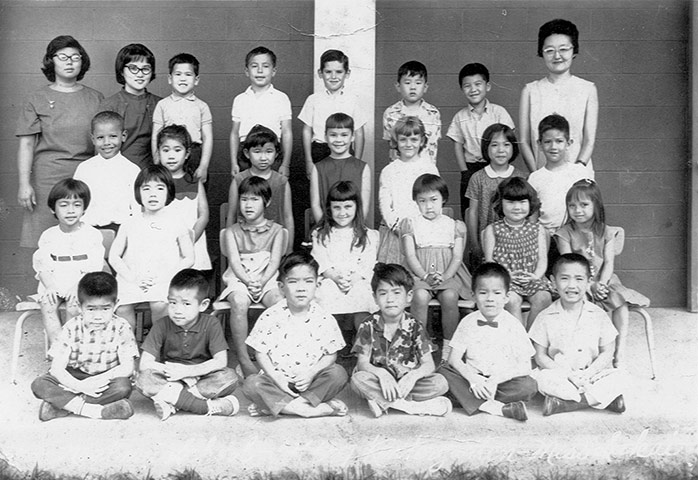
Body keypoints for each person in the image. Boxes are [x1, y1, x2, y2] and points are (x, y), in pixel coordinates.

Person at [16, 35, 103, 249]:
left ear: (82, 62)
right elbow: (26, 145)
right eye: (63, 57)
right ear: (51, 61)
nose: (70, 61)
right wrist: (24, 184)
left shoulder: (97, 98)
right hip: (47, 180)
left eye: (75, 57)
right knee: (47, 246)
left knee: (85, 244)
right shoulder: (37, 98)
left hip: (86, 177)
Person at [242, 251, 349, 418]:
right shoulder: (271, 315)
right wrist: (277, 377)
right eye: (293, 282)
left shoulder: (324, 317)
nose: (301, 288)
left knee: (338, 374)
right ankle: (314, 409)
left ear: (317, 285)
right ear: (281, 287)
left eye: (308, 281)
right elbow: (260, 353)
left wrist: (312, 373)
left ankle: (278, 406)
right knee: (252, 384)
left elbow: (330, 354)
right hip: (278, 382)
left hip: (310, 381)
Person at [555, 179, 649, 368]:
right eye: (572, 206)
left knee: (619, 303)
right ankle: (588, 354)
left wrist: (602, 284)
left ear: (596, 205)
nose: (577, 210)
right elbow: (570, 266)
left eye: (584, 205)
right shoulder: (564, 233)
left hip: (605, 280)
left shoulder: (607, 232)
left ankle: (618, 352)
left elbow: (609, 262)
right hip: (577, 281)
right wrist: (589, 285)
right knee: (583, 307)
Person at [31, 272, 138, 421]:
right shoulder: (71, 328)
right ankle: (94, 411)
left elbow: (127, 368)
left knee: (123, 386)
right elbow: (57, 368)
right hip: (75, 375)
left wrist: (96, 381)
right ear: (80, 307)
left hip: (106, 378)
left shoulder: (121, 328)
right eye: (91, 309)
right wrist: (80, 386)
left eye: (105, 308)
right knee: (40, 384)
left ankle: (61, 406)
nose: (98, 316)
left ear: (115, 305)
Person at [136, 269, 240, 420]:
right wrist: (174, 372)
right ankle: (204, 407)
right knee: (143, 379)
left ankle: (172, 401)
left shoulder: (211, 323)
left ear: (203, 305)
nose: (177, 310)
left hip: (200, 377)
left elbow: (221, 361)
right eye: (172, 303)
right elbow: (145, 364)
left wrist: (189, 371)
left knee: (229, 377)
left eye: (186, 304)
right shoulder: (162, 325)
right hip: (169, 378)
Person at [530, 254, 627, 416]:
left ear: (589, 282)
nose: (572, 285)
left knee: (621, 376)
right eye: (565, 278)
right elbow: (540, 356)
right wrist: (568, 375)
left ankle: (566, 404)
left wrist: (589, 374)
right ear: (553, 282)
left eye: (579, 279)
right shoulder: (545, 317)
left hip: (593, 374)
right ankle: (601, 399)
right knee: (542, 379)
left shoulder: (599, 315)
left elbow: (607, 352)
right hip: (561, 375)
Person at [438, 263, 537, 422]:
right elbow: (453, 359)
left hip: (502, 381)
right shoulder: (468, 322)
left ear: (506, 297)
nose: (490, 299)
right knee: (443, 371)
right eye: (483, 293)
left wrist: (495, 380)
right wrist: (473, 380)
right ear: (473, 295)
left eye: (497, 293)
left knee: (529, 386)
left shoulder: (513, 325)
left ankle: (472, 401)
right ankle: (495, 407)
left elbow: (525, 366)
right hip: (473, 380)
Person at [351, 263, 451, 417]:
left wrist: (413, 376)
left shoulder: (415, 325)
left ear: (409, 297)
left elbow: (428, 364)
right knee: (358, 379)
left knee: (440, 383)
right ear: (375, 298)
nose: (390, 299)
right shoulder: (368, 325)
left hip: (407, 383)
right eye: (383, 293)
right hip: (380, 382)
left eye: (397, 292)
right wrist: (382, 375)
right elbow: (362, 363)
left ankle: (385, 402)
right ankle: (410, 406)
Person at [108, 165, 195, 329]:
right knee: (123, 307)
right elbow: (114, 256)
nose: (152, 194)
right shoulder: (129, 223)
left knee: (159, 304)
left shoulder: (177, 223)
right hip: (132, 279)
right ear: (138, 192)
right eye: (146, 188)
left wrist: (166, 276)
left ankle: (156, 348)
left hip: (164, 279)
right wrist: (132, 277)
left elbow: (189, 258)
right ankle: (129, 348)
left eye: (160, 188)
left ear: (169, 192)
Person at [217, 176, 285, 378]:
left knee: (279, 302)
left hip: (267, 277)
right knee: (238, 300)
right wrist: (248, 282)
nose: (248, 204)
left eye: (254, 199)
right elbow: (235, 263)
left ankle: (273, 355)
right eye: (244, 199)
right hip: (240, 278)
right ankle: (244, 358)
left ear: (267, 202)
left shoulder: (277, 231)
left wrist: (262, 282)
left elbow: (274, 263)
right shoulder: (231, 232)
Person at [401, 174, 471, 360]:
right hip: (419, 274)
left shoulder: (454, 225)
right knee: (420, 296)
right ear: (415, 202)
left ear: (444, 199)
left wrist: (446, 276)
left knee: (449, 296)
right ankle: (419, 344)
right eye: (422, 201)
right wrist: (424, 277)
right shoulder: (410, 224)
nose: (429, 206)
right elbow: (410, 255)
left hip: (448, 273)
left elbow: (457, 256)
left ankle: (449, 346)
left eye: (434, 200)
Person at [519, 19, 598, 177]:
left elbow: (589, 140)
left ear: (574, 51)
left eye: (563, 49)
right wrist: (538, 175)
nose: (557, 56)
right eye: (549, 50)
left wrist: (577, 171)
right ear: (541, 52)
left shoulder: (588, 89)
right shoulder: (530, 91)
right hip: (542, 175)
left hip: (579, 177)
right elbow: (523, 141)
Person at [32, 179, 105, 345]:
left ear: (84, 208)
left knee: (74, 306)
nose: (70, 211)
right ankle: (59, 348)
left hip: (82, 283)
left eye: (77, 205)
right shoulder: (48, 236)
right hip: (55, 282)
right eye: (64, 205)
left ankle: (76, 349)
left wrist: (77, 286)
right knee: (48, 305)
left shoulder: (92, 234)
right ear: (53, 208)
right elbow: (42, 266)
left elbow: (93, 267)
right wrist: (50, 286)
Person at [446, 63, 515, 220]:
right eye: (467, 86)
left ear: (488, 86)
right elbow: (457, 144)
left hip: (496, 165)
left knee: (498, 205)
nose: (473, 89)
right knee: (470, 208)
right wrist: (464, 171)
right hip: (471, 168)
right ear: (462, 89)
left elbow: (509, 139)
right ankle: (473, 242)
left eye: (478, 84)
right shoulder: (460, 117)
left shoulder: (499, 112)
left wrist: (504, 164)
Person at [483, 177, 552, 328]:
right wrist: (506, 277)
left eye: (522, 202)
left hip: (533, 277)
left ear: (530, 203)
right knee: (511, 300)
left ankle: (532, 339)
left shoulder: (538, 229)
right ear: (500, 203)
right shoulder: (492, 230)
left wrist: (536, 276)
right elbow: (489, 262)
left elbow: (542, 260)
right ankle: (519, 341)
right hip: (505, 280)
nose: (517, 207)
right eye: (511, 202)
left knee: (544, 298)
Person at [311, 181, 379, 332]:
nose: (342, 213)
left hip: (357, 279)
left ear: (357, 207)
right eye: (337, 207)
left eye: (348, 207)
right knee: (326, 292)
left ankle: (362, 341)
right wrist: (335, 277)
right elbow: (321, 259)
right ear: (329, 209)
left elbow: (367, 263)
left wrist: (353, 279)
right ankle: (331, 339)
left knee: (362, 293)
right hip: (331, 278)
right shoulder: (321, 234)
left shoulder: (368, 235)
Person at [377, 116, 439, 265]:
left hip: (423, 231)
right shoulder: (389, 170)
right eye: (403, 140)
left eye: (414, 139)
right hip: (395, 231)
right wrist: (397, 227)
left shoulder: (429, 168)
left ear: (422, 141)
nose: (408, 144)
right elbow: (385, 204)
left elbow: (435, 200)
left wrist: (424, 226)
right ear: (396, 142)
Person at [465, 123, 527, 267]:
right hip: (485, 240)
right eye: (494, 145)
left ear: (513, 147)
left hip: (514, 243)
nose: (500, 150)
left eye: (506, 144)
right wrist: (474, 243)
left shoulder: (521, 177)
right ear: (486, 148)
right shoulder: (478, 178)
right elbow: (472, 212)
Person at [226, 125, 294, 251]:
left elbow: (288, 217)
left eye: (269, 151)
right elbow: (231, 215)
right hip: (245, 245)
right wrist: (230, 248)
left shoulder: (281, 181)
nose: (263, 157)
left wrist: (289, 248)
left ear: (276, 153)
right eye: (257, 152)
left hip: (275, 245)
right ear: (247, 153)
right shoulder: (239, 180)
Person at [299, 49, 366, 177]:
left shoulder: (353, 100)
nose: (333, 77)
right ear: (320, 73)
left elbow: (359, 132)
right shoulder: (313, 99)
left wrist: (356, 161)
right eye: (328, 72)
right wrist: (309, 160)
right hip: (319, 151)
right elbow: (307, 130)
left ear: (347, 73)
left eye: (339, 72)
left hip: (344, 150)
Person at [230, 46, 292, 177]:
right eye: (254, 66)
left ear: (273, 71)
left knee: (272, 191)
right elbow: (234, 133)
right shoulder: (240, 99)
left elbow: (287, 132)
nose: (259, 71)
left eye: (265, 66)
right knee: (247, 192)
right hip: (246, 153)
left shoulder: (281, 98)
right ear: (247, 71)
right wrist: (233, 162)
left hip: (272, 151)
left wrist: (285, 164)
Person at [73, 111, 140, 232]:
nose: (106, 143)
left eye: (113, 136)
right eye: (100, 137)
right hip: (88, 230)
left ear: (123, 136)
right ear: (93, 139)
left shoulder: (132, 170)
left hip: (121, 231)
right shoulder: (84, 169)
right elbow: (76, 203)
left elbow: (137, 208)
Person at [157, 124, 211, 270]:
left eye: (177, 150)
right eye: (166, 150)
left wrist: (188, 242)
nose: (171, 155)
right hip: (163, 247)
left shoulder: (194, 182)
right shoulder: (155, 183)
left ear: (187, 153)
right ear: (159, 153)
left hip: (192, 245)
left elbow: (204, 215)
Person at [151, 53, 212, 183]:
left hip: (194, 154)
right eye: (178, 74)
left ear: (196, 80)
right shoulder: (162, 105)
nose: (182, 79)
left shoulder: (202, 106)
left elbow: (208, 137)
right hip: (169, 153)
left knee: (195, 191)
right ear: (169, 78)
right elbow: (155, 134)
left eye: (188, 74)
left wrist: (204, 166)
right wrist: (157, 160)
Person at [99, 43, 161, 168]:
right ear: (122, 71)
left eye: (145, 68)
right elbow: (102, 149)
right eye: (133, 68)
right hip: (117, 171)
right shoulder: (109, 105)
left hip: (152, 174)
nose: (140, 74)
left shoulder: (161, 104)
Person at [527, 114, 588, 235]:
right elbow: (532, 217)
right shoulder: (535, 178)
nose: (553, 147)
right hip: (546, 237)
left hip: (576, 236)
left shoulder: (580, 173)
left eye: (559, 141)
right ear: (539, 144)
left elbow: (591, 208)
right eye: (548, 142)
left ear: (569, 143)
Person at [310, 113, 371, 223]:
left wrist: (355, 230)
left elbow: (364, 205)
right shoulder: (318, 168)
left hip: (355, 231)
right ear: (325, 137)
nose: (338, 140)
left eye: (344, 135)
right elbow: (315, 204)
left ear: (352, 137)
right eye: (333, 135)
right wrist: (325, 231)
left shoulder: (363, 168)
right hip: (326, 231)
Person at [382, 61, 441, 163]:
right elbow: (391, 144)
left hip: (425, 169)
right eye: (407, 83)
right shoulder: (391, 113)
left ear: (425, 87)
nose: (413, 87)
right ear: (398, 86)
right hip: (400, 170)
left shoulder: (433, 113)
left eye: (418, 83)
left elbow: (433, 144)